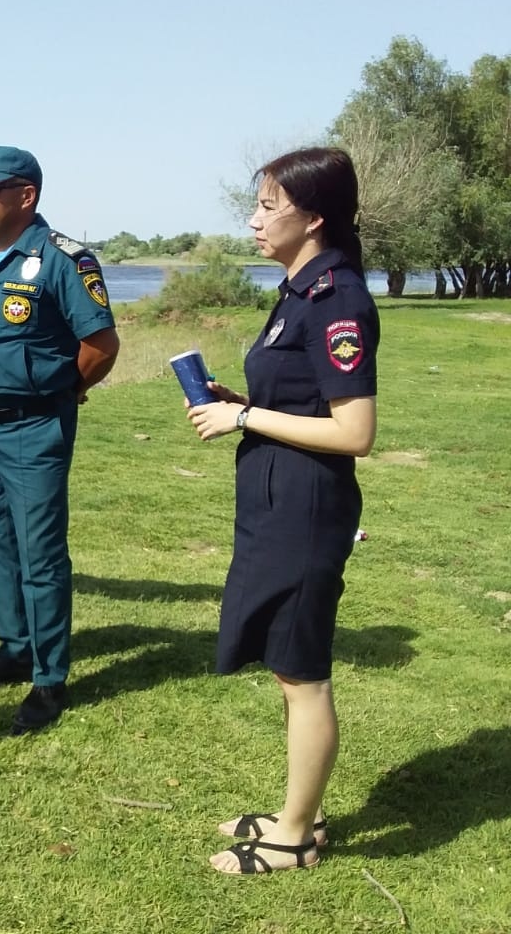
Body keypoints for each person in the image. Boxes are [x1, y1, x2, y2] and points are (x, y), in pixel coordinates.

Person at [187, 147, 377, 874]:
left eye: (269, 206)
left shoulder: (337, 301)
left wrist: (244, 422)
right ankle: (297, 807)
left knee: (305, 674)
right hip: (274, 499)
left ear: (314, 217)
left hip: (306, 507)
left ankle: (294, 837)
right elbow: (297, 399)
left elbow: (355, 432)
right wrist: (244, 404)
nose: (253, 219)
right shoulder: (298, 292)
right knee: (286, 668)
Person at [0, 145, 120, 735]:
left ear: (27, 196)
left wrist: (62, 391)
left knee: (40, 553)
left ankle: (49, 676)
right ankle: (14, 647)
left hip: (34, 426)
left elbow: (100, 346)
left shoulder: (62, 260)